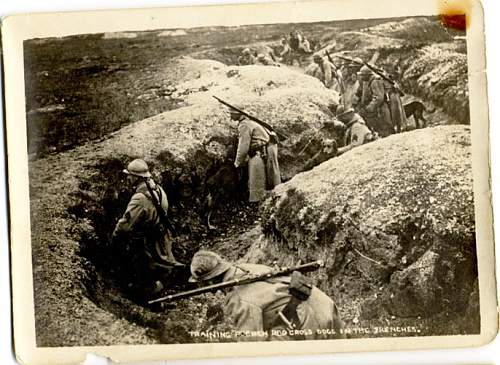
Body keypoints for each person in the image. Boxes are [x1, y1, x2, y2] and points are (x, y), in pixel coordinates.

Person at [189, 250, 345, 341]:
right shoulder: (245, 268)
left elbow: (252, 344)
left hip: (309, 320)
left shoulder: (238, 300)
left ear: (208, 282)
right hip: (323, 303)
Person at [112, 159, 183, 298]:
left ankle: (152, 291)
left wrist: (115, 237)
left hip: (149, 239)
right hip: (162, 235)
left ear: (137, 177)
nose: (128, 178)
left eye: (130, 175)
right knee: (162, 261)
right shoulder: (158, 188)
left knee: (145, 265)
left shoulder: (139, 197)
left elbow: (125, 226)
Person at [230, 105, 281, 202]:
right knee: (273, 179)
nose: (230, 117)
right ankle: (275, 200)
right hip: (269, 149)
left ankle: (259, 204)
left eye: (231, 114)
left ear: (237, 114)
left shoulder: (244, 125)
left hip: (260, 153)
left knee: (257, 184)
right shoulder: (251, 121)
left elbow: (243, 148)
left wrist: (237, 164)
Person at [357, 65, 394, 138]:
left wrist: (369, 108)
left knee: (385, 126)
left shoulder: (375, 82)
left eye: (362, 75)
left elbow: (378, 98)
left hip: (381, 108)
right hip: (379, 107)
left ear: (367, 75)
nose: (361, 77)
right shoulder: (370, 81)